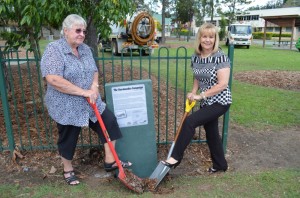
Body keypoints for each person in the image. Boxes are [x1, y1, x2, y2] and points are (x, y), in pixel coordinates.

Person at [41, 14, 131, 185]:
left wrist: (94, 87)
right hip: (66, 104)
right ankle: (67, 169)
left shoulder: (85, 49)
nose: (82, 34)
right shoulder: (54, 50)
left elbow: (94, 71)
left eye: (84, 30)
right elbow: (53, 79)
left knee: (109, 122)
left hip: (90, 100)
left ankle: (111, 161)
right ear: (66, 31)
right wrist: (83, 92)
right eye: (78, 30)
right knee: (69, 136)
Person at [163, 23, 232, 173]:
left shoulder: (220, 57)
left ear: (215, 39)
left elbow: (223, 84)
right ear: (199, 38)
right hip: (206, 100)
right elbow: (197, 77)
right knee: (211, 131)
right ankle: (220, 165)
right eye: (204, 36)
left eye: (211, 37)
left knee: (190, 122)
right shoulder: (196, 57)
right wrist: (192, 92)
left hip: (220, 101)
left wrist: (200, 96)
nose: (208, 40)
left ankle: (175, 157)